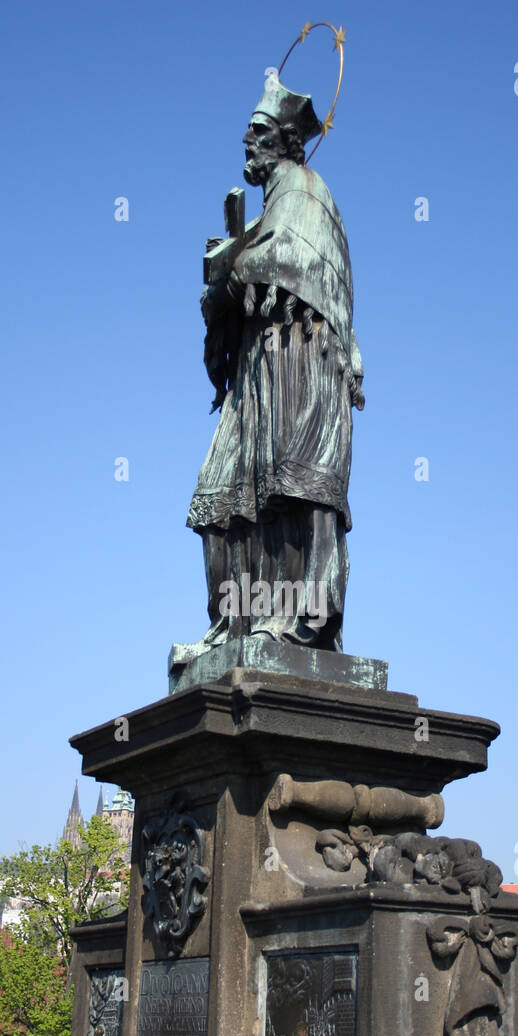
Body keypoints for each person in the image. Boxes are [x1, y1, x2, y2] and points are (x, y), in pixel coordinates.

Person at [186, 73, 364, 652]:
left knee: (298, 484)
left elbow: (297, 259)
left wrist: (236, 266)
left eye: (258, 131)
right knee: (222, 497)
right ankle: (238, 622)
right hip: (258, 373)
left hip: (300, 356)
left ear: (286, 140)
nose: (246, 140)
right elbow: (239, 287)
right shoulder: (264, 214)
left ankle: (307, 617)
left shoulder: (306, 192)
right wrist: (221, 280)